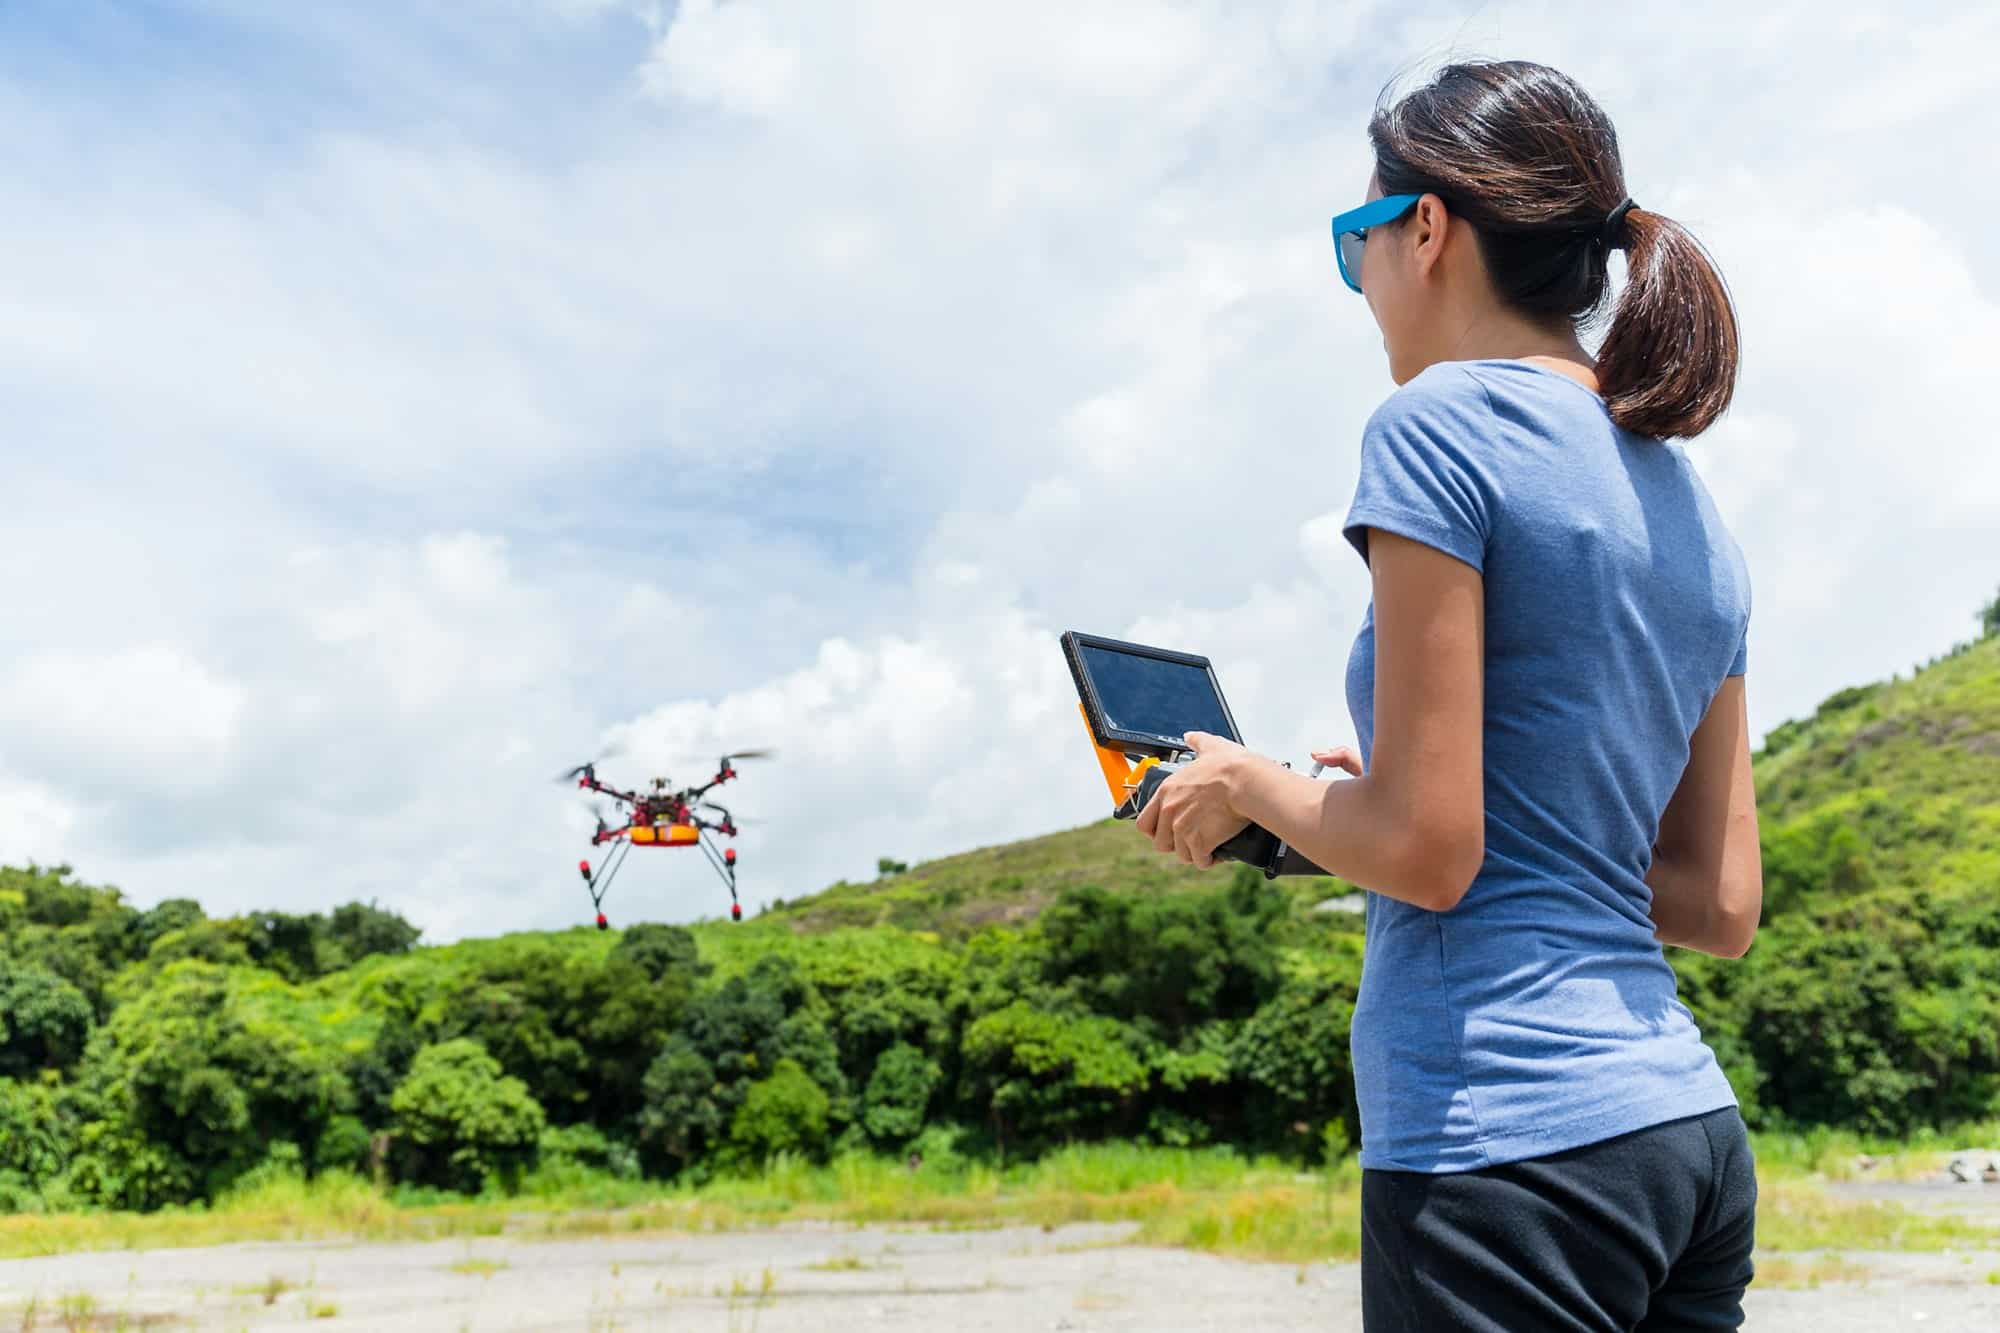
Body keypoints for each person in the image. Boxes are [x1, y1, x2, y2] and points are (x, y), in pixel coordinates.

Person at [1134, 60, 1761, 1331]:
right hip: (1683, 1141)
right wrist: (1374, 808)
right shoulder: (1692, 511)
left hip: (1505, 1139)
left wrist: (1256, 783)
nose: (1356, 280)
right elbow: (1716, 901)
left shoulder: (1439, 428)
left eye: (1350, 240)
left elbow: (1426, 854)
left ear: (1423, 229)